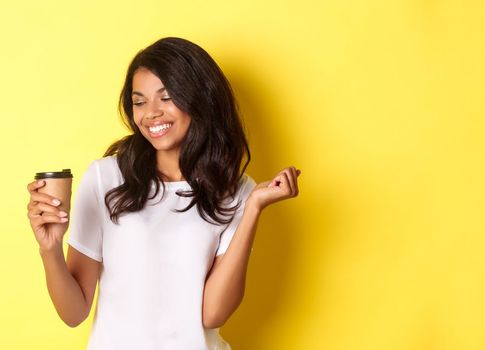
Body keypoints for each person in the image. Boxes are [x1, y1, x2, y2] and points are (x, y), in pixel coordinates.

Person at [26, 37, 301, 349]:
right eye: (139, 101)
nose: (151, 114)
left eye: (166, 98)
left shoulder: (236, 190)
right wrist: (50, 249)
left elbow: (212, 314)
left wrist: (253, 208)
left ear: (199, 99)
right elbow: (74, 312)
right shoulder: (106, 177)